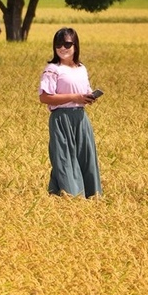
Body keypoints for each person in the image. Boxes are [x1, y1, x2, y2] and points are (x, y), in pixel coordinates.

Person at [37, 27, 102, 198]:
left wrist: (87, 98)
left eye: (67, 44)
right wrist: (74, 97)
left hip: (80, 118)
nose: (62, 48)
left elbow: (83, 92)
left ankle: (88, 196)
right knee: (64, 158)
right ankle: (70, 197)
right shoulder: (52, 69)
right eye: (58, 44)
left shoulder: (81, 68)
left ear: (75, 45)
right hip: (61, 119)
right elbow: (45, 97)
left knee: (85, 157)